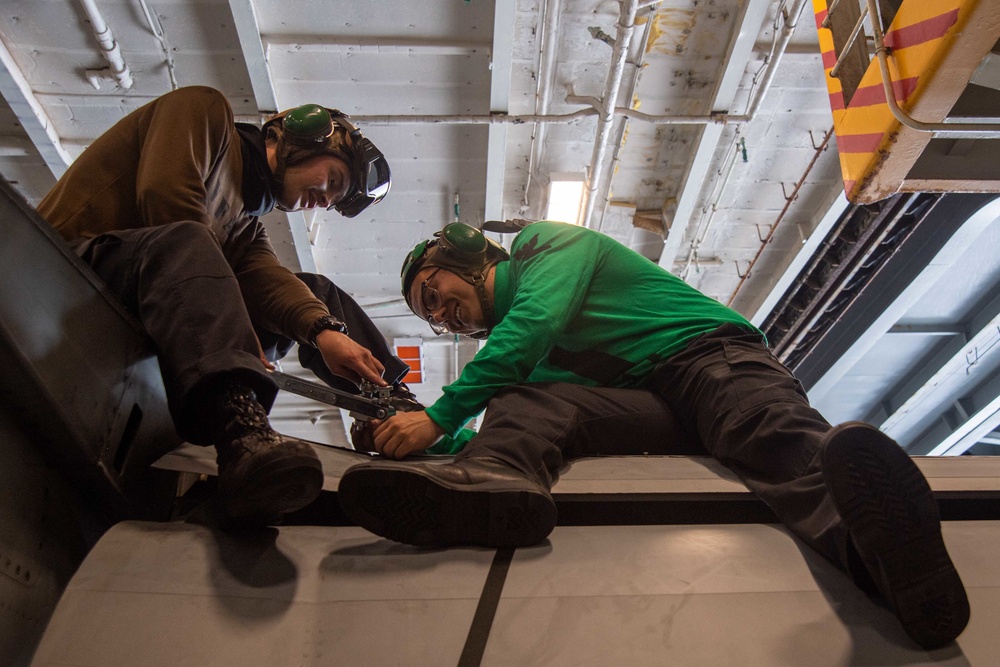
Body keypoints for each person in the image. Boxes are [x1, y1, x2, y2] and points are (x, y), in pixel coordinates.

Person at [336, 220, 970, 650]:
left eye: (433, 292)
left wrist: (438, 416)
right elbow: (523, 404)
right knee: (525, 402)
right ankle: (496, 482)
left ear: (464, 260)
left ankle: (886, 559)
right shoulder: (527, 359)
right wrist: (419, 444)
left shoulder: (541, 248)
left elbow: (531, 324)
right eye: (429, 317)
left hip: (705, 358)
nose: (439, 314)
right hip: (656, 404)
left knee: (770, 438)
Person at [37, 85, 410, 527]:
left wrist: (324, 331)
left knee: (313, 292)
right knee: (186, 239)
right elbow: (165, 197)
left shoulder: (244, 226)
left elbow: (267, 282)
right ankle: (241, 430)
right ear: (300, 138)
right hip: (71, 273)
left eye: (332, 200)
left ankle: (392, 406)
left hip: (152, 302)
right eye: (333, 181)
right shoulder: (206, 112)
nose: (325, 200)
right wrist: (227, 309)